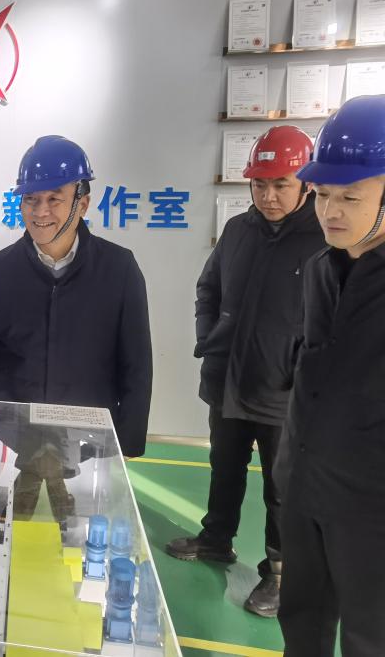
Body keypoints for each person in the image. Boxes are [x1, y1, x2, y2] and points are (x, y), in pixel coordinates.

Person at [165, 126, 323, 618]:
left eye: (281, 184)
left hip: (284, 392)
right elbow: (208, 288)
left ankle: (279, 573)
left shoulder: (323, 238)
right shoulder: (238, 231)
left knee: (282, 488)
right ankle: (216, 539)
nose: (269, 196)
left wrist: (303, 369)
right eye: (260, 184)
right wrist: (209, 337)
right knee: (224, 467)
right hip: (228, 381)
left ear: (306, 183)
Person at [0, 135, 152, 457]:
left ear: (82, 203)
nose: (41, 211)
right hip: (10, 442)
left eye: (54, 199)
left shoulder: (119, 269)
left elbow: (136, 367)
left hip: (87, 444)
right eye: (31, 199)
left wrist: (126, 445)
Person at [275, 95, 385, 656]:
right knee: (302, 621)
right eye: (321, 195)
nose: (330, 212)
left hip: (371, 506)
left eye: (350, 197)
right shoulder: (320, 269)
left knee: (369, 636)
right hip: (305, 487)